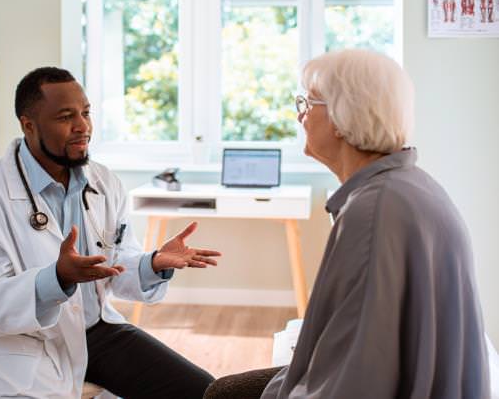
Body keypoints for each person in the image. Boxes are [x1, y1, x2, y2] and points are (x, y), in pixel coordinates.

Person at [205, 49, 490, 398]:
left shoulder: (373, 211)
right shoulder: (406, 185)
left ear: (342, 117)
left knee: (224, 394)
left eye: (308, 104)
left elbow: (359, 376)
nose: (300, 117)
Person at [0, 67, 221, 398]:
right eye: (66, 117)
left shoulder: (103, 182)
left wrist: (153, 264)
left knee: (207, 393)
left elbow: (116, 262)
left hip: (97, 332)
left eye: (86, 112)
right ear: (28, 125)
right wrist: (56, 279)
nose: (83, 127)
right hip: (25, 343)